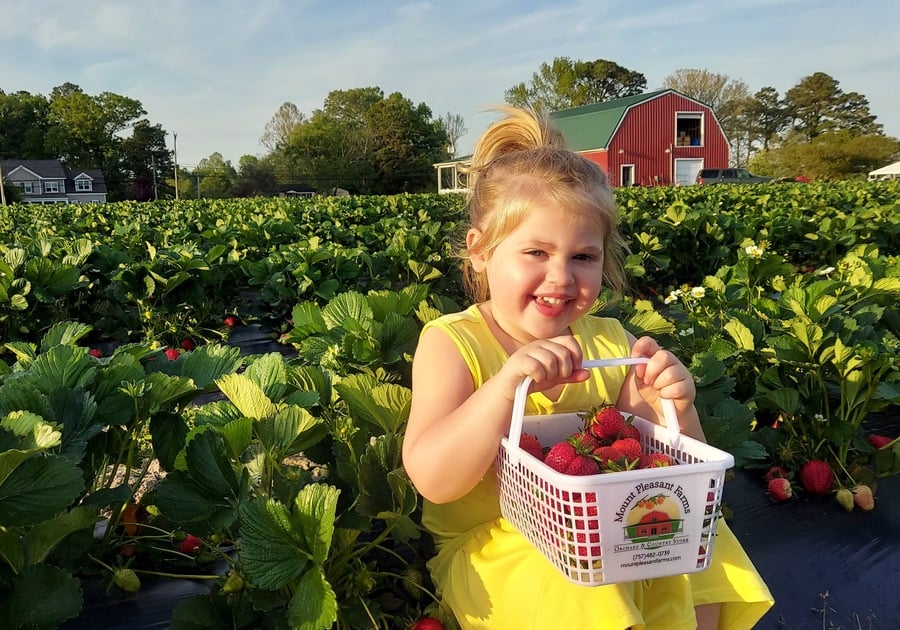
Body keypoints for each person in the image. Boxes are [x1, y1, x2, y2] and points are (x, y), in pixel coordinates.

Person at [401, 106, 773, 629]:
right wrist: (505, 388)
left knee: (693, 531)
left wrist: (677, 405)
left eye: (583, 257)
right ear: (480, 251)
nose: (561, 276)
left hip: (606, 523)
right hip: (495, 547)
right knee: (578, 573)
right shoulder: (452, 343)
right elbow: (434, 481)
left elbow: (668, 468)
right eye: (536, 252)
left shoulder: (610, 342)